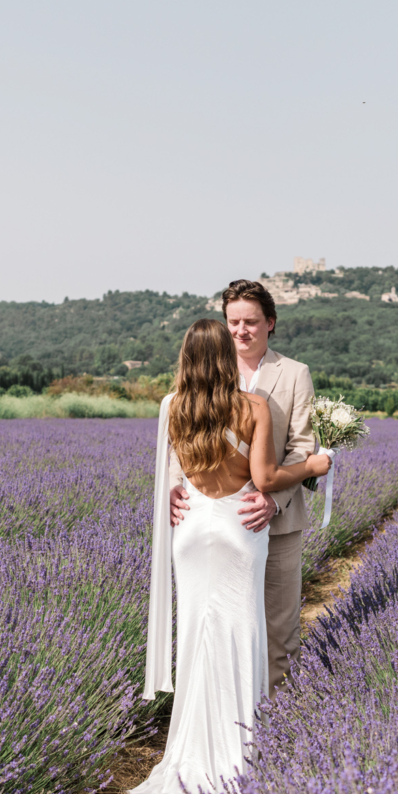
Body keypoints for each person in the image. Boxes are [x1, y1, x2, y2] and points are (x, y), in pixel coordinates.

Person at [132, 318, 331, 794]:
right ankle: (239, 755)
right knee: (243, 634)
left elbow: (175, 476)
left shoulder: (172, 407)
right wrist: (312, 466)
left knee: (197, 639)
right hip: (240, 528)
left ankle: (190, 755)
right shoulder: (253, 406)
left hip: (192, 529)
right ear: (224, 355)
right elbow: (263, 478)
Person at [169, 280, 317, 693]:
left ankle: (273, 723)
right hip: (215, 520)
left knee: (279, 627)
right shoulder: (208, 370)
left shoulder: (294, 374)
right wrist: (172, 486)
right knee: (218, 622)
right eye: (233, 322)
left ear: (270, 323)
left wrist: (273, 499)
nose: (240, 331)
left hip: (276, 522)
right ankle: (228, 713)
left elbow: (302, 447)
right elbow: (177, 435)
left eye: (250, 322)